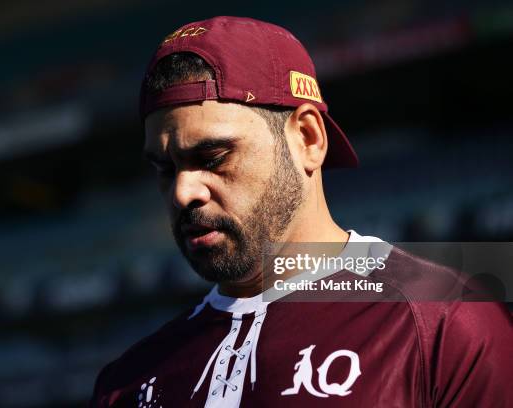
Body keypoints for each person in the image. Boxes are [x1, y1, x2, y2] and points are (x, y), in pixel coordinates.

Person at [91, 16, 512, 407]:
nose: (184, 192)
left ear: (308, 138)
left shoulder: (444, 323)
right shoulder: (125, 381)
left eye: (214, 156)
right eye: (165, 169)